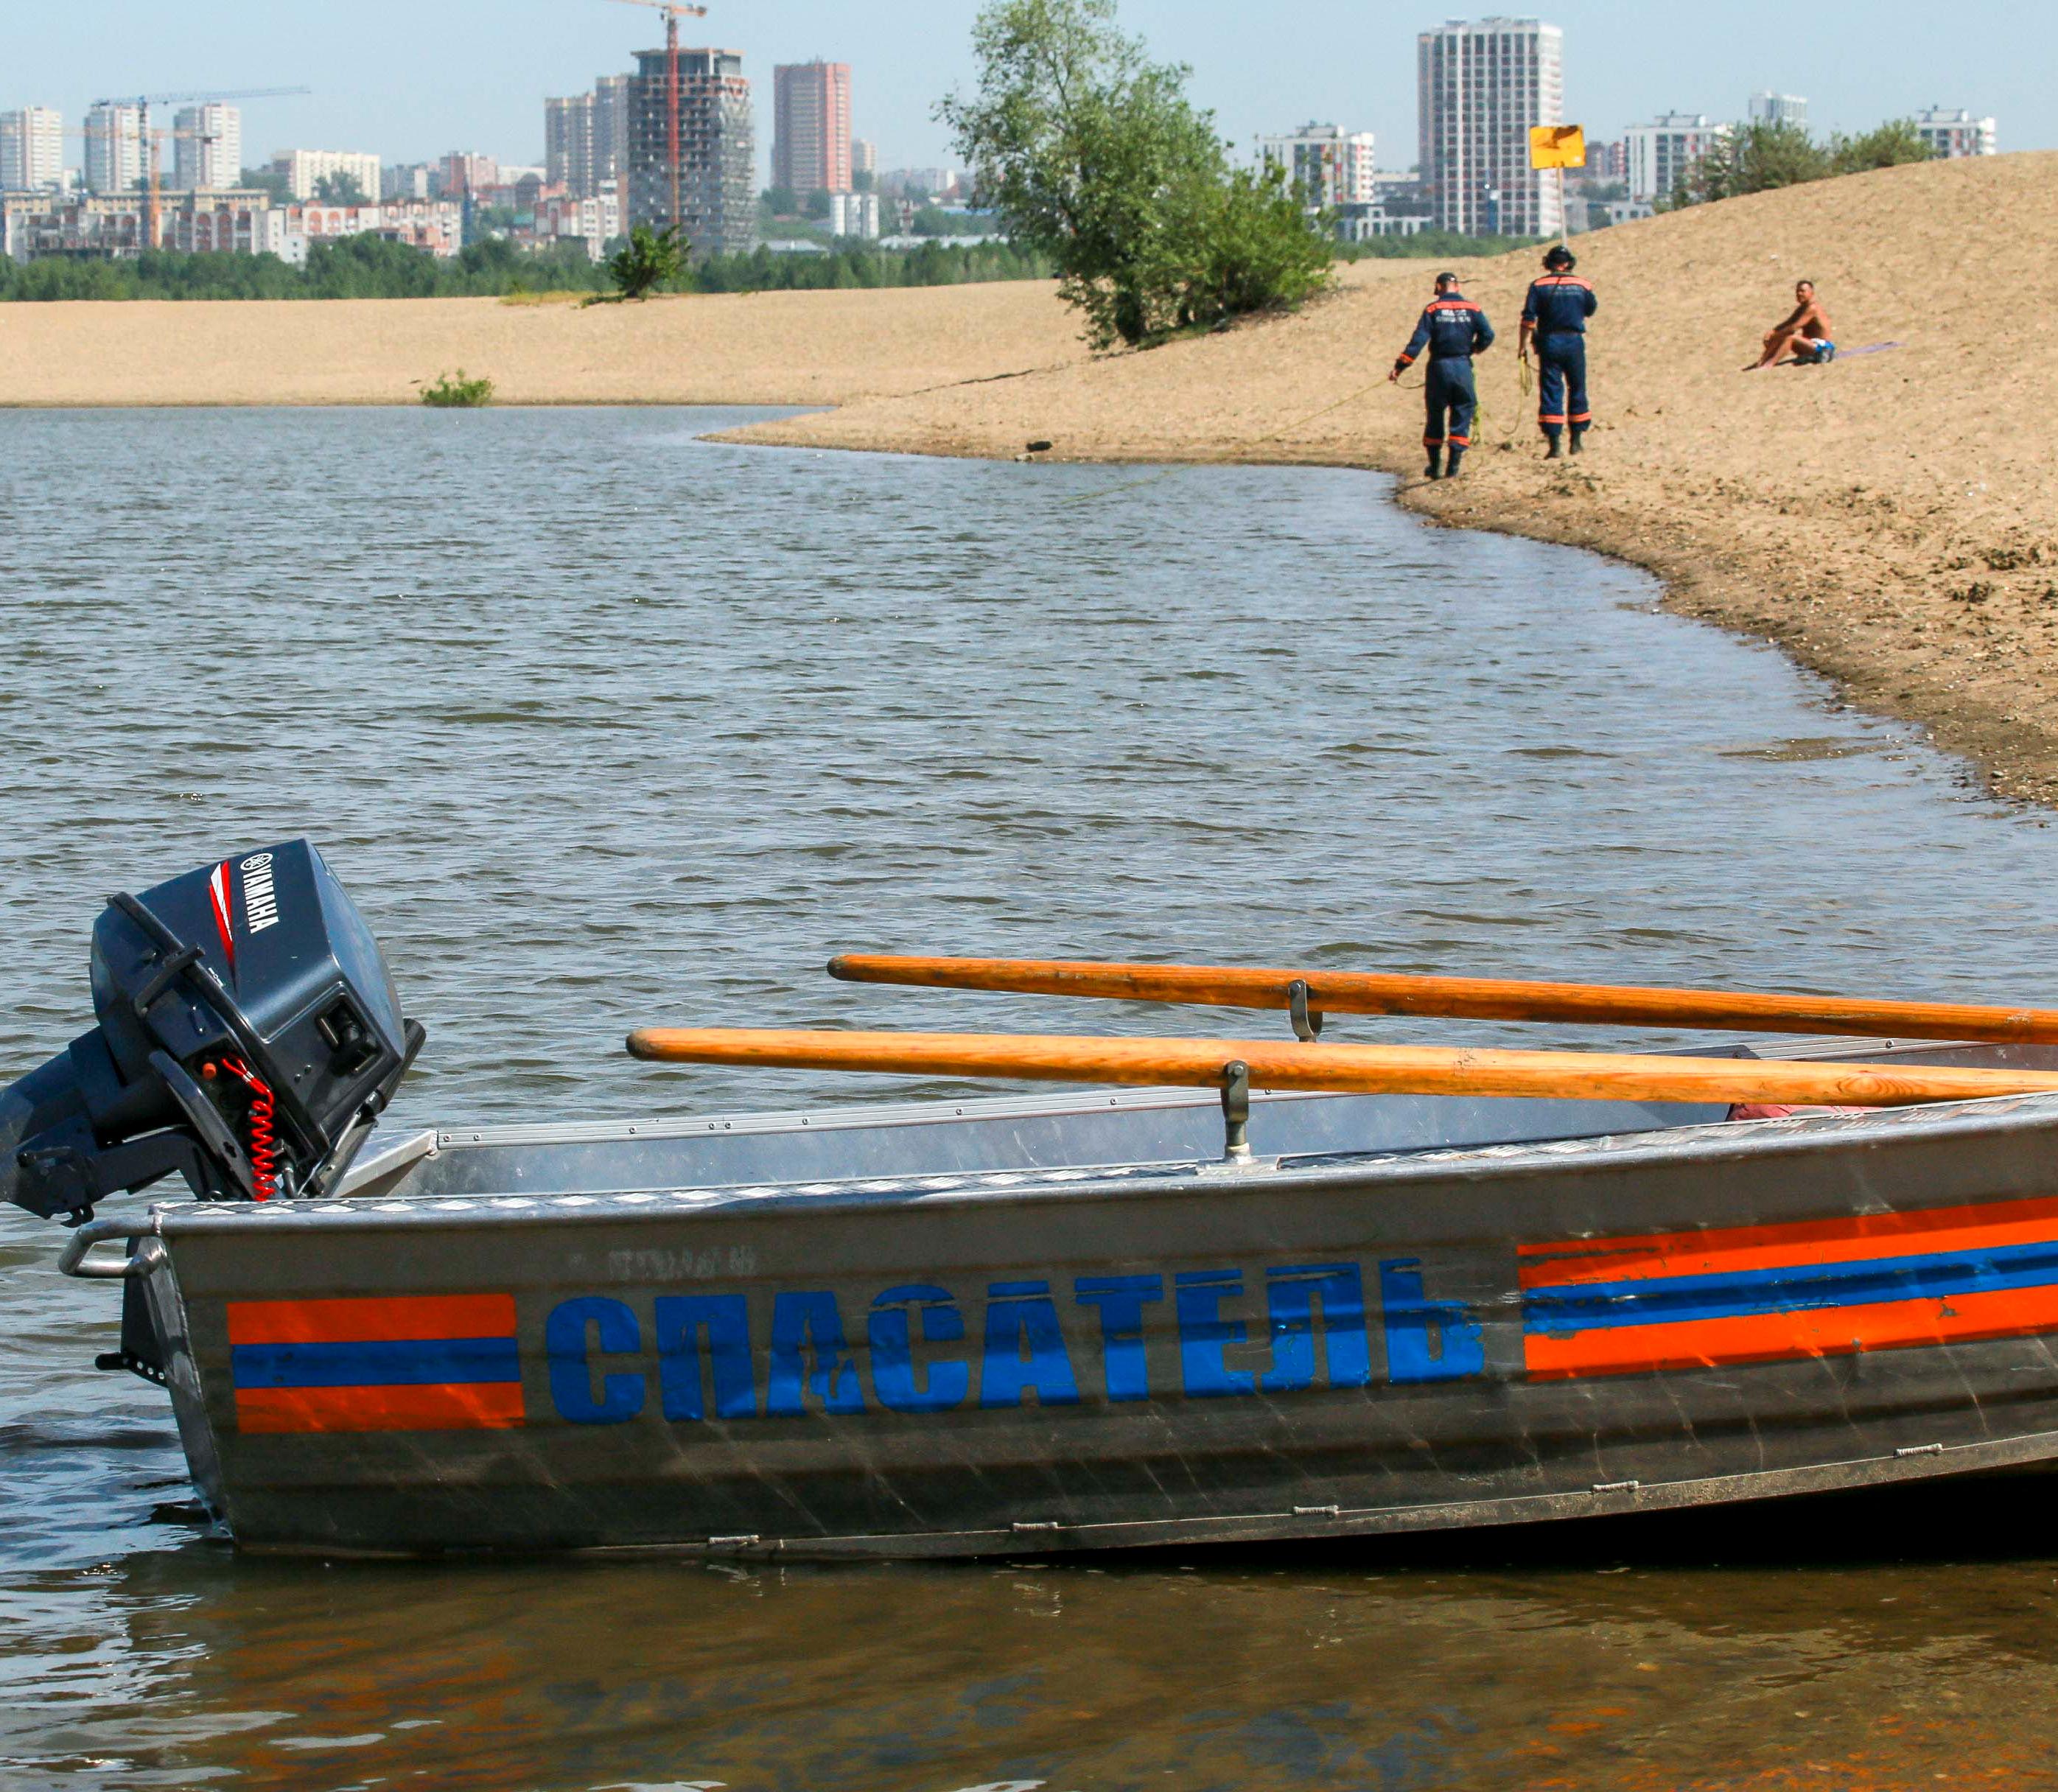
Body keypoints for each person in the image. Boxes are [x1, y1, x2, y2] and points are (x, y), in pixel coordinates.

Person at [1389, 270, 1495, 480]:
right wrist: (1474, 349)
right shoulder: (1473, 308)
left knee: (1435, 416)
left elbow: (1417, 342)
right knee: (1462, 413)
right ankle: (1453, 468)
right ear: (1458, 287)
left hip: (1439, 368)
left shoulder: (1433, 309)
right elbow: (1488, 335)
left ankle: (1435, 467)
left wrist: (1400, 367)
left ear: (1438, 287)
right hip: (1463, 366)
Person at [1519, 244, 1597, 458]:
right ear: (1569, 263)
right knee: (1577, 388)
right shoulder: (1583, 284)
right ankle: (1576, 441)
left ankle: (1555, 445)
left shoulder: (1538, 285)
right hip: (1574, 341)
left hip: (1549, 341)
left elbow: (1528, 320)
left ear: (1549, 263)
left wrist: (1522, 346)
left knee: (1552, 391)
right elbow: (1590, 309)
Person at [1747, 280, 1835, 369]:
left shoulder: (1812, 308)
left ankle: (1770, 364)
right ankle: (1763, 360)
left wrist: (1776, 335)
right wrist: (1773, 332)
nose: (1799, 294)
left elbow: (1794, 328)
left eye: (1802, 291)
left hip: (1824, 349)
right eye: (1797, 291)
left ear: (1812, 293)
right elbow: (1788, 323)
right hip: (1811, 345)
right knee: (1781, 335)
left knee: (1790, 337)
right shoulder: (1802, 308)